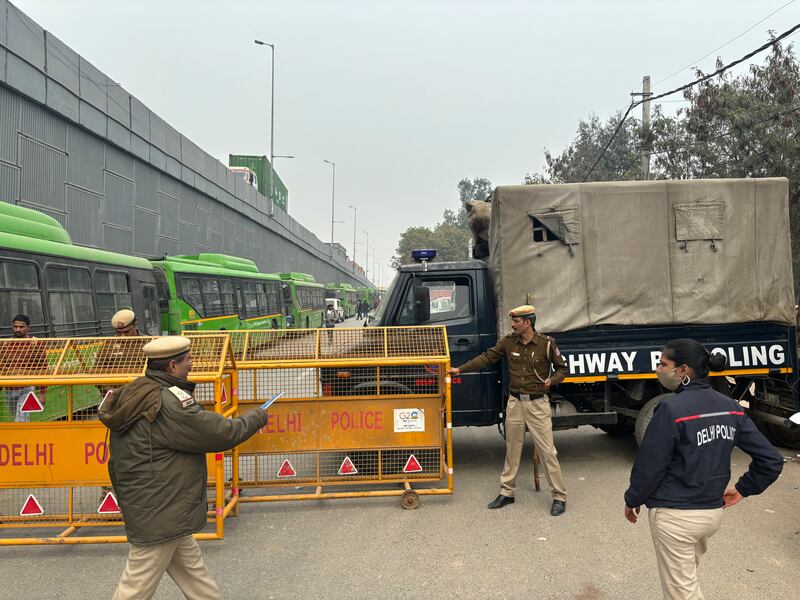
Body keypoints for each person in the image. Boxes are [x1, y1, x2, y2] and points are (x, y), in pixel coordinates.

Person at [99, 336, 269, 600]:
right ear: (172, 367)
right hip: (160, 508)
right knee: (135, 587)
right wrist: (257, 417)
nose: (191, 363)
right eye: (187, 360)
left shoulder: (138, 389)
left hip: (159, 502)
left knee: (194, 575)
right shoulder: (168, 403)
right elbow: (219, 433)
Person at [624, 338, 784, 600]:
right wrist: (743, 489)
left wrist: (633, 499)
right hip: (710, 514)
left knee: (682, 594)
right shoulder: (731, 408)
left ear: (683, 371)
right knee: (686, 582)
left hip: (675, 518)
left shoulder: (670, 409)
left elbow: (649, 465)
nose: (658, 369)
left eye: (663, 364)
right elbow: (771, 460)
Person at [449, 304, 569, 515]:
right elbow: (487, 357)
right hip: (514, 403)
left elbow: (562, 368)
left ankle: (559, 496)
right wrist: (460, 369)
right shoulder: (508, 342)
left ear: (527, 323)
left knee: (547, 452)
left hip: (537, 404)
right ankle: (507, 493)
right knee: (512, 450)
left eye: (516, 321)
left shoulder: (546, 344)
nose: (513, 324)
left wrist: (552, 380)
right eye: (513, 321)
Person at [4, 314, 43, 422]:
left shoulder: (36, 343)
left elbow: (43, 368)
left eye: (21, 327)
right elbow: (2, 367)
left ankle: (21, 438)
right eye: (15, 326)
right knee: (18, 418)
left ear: (28, 328)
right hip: (9, 388)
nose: (18, 329)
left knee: (20, 419)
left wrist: (43, 393)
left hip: (27, 388)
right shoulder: (5, 344)